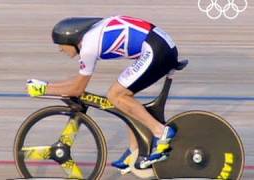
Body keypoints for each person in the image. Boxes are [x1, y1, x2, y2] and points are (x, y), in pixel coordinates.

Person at [27, 15, 180, 172]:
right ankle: (135, 150)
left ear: (71, 40)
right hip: (158, 44)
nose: (60, 49)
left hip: (157, 49)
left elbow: (76, 89)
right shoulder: (88, 38)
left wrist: (44, 89)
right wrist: (49, 86)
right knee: (123, 97)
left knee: (116, 95)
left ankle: (161, 132)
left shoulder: (88, 48)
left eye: (60, 45)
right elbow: (77, 82)